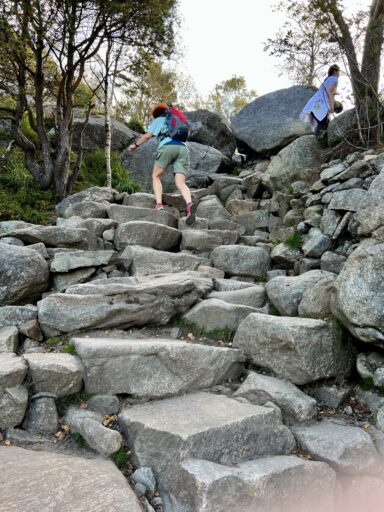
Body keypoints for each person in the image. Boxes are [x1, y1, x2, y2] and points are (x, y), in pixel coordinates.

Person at [127, 103, 196, 225]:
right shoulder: (177, 121)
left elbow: (148, 136)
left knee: (156, 176)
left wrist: (135, 145)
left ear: (157, 114)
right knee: (180, 183)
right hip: (183, 149)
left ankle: (159, 205)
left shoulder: (159, 120)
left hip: (167, 147)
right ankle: (190, 205)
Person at [300, 64, 340, 144]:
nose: (339, 74)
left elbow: (327, 92)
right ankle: (319, 144)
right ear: (335, 71)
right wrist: (332, 106)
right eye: (338, 72)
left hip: (313, 104)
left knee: (324, 124)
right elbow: (331, 93)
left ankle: (321, 142)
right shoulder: (334, 79)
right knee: (322, 125)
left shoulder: (327, 79)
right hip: (320, 105)